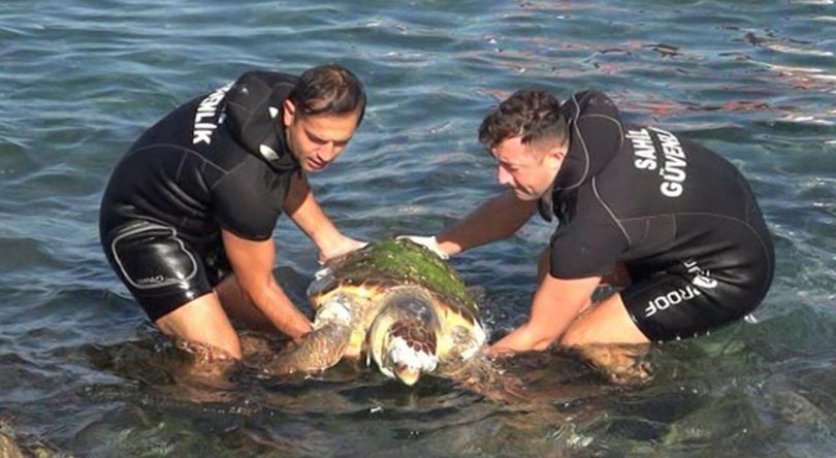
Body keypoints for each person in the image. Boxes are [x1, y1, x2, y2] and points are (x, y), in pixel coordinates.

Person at [403, 89, 774, 380]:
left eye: (510, 167)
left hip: (729, 271)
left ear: (553, 157)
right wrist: (437, 246)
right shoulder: (581, 116)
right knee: (554, 263)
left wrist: (463, 369)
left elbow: (539, 337)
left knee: (581, 340)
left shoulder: (593, 222)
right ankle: (622, 327)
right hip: (704, 218)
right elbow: (514, 208)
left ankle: (640, 405)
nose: (500, 177)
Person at [99, 64, 367, 360]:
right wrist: (318, 342)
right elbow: (258, 287)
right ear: (290, 113)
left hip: (204, 206)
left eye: (341, 142)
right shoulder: (246, 183)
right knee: (221, 359)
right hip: (143, 225)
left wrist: (330, 241)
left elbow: (284, 166)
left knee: (273, 336)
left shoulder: (285, 93)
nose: (326, 154)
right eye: (317, 139)